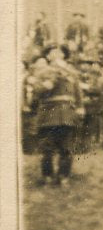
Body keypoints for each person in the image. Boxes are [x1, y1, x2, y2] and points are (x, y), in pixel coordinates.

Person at [30, 56, 83, 185]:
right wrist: (50, 82)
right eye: (55, 63)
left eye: (61, 64)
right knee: (47, 149)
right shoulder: (42, 75)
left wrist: (80, 110)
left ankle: (63, 176)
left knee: (67, 148)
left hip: (67, 116)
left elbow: (78, 95)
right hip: (48, 116)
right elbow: (35, 95)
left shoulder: (72, 77)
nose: (59, 67)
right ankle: (47, 176)